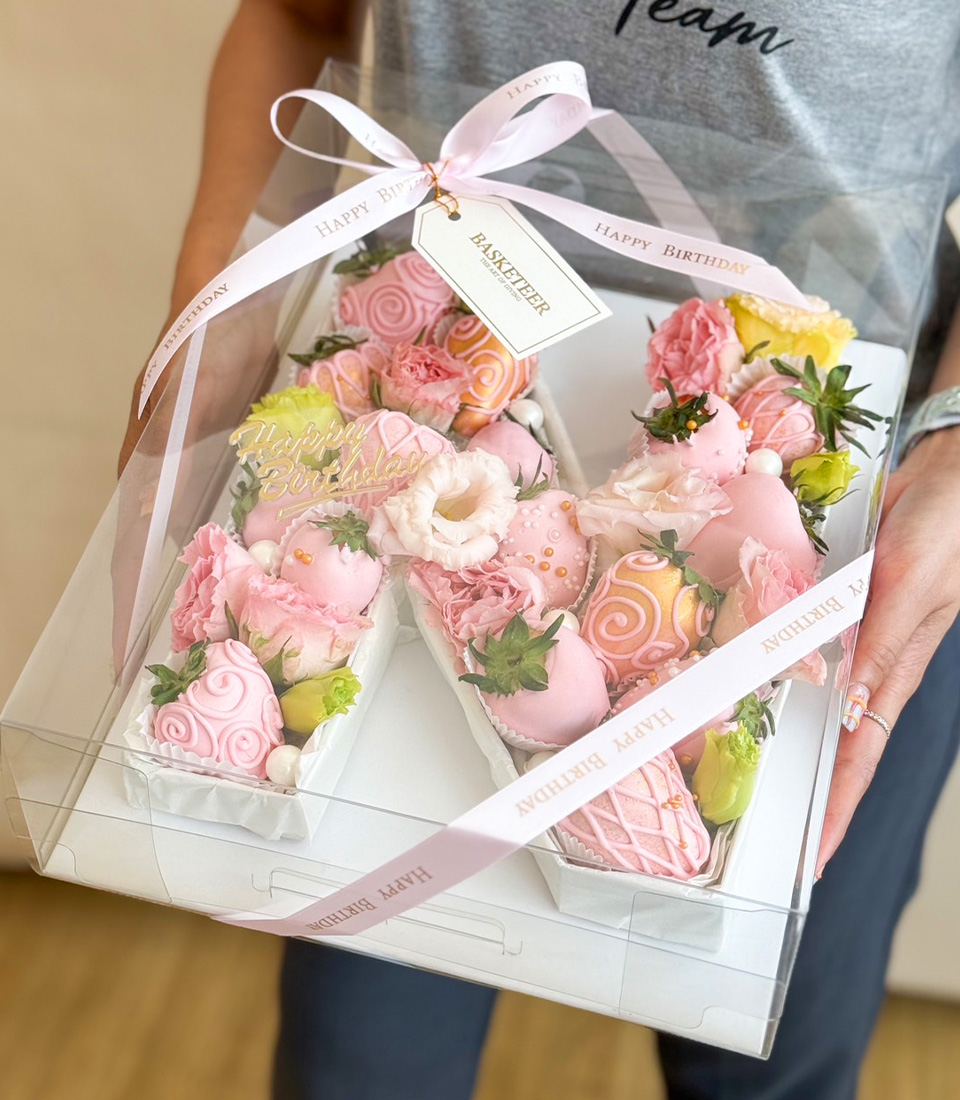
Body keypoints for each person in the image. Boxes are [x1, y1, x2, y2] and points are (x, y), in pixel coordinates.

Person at [121, 3, 960, 1098]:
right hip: (408, 474)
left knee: (767, 1070)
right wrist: (222, 301)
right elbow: (298, 17)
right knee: (364, 1065)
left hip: (833, 531)